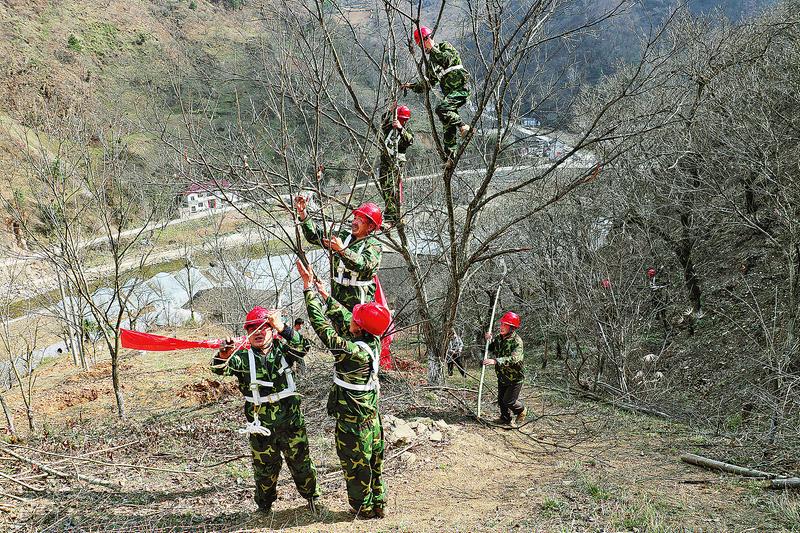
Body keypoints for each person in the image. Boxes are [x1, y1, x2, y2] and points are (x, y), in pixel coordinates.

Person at [297, 260, 390, 519]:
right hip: (372, 420)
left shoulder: (352, 353)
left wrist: (308, 289)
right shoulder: (373, 339)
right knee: (374, 465)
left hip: (353, 424)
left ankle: (364, 509)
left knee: (356, 467)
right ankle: (378, 503)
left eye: (356, 320)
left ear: (359, 328)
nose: (351, 318)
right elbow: (346, 317)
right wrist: (325, 294)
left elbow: (322, 327)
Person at [211, 307, 320, 514]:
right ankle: (264, 507)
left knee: (301, 464)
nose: (258, 332)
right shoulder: (242, 357)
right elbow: (218, 369)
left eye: (263, 327)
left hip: (291, 422)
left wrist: (283, 328)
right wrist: (224, 353)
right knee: (264, 471)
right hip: (260, 426)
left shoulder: (284, 350)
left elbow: (304, 346)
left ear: (272, 329)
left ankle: (312, 499)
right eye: (252, 328)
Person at [295, 197, 383, 311]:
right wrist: (303, 213)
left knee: (355, 323)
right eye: (355, 218)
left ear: (370, 226)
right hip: (337, 297)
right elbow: (315, 236)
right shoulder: (343, 237)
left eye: (360, 220)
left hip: (358, 302)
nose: (354, 222)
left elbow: (363, 265)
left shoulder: (374, 245)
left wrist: (342, 250)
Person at [401, 26, 471, 159]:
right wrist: (411, 86)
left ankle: (463, 126)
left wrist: (433, 48)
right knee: (448, 125)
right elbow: (428, 84)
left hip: (461, 88)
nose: (424, 47)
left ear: (429, 39)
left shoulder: (445, 46)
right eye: (421, 46)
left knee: (441, 109)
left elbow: (447, 59)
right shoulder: (431, 64)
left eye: (423, 43)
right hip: (449, 95)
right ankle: (450, 158)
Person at [483, 311, 527, 427]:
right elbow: (491, 348)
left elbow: (515, 359)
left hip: (515, 377)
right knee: (501, 400)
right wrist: (488, 339)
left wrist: (496, 361)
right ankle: (505, 419)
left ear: (512, 328)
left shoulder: (517, 341)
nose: (501, 327)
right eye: (502, 324)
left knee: (509, 401)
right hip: (502, 375)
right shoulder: (499, 338)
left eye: (505, 325)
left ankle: (521, 410)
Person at [378, 104, 414, 225]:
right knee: (385, 186)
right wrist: (390, 111)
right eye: (400, 119)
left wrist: (400, 128)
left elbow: (410, 140)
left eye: (404, 120)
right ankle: (391, 216)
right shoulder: (389, 126)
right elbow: (383, 122)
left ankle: (393, 217)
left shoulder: (407, 130)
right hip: (385, 160)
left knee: (394, 188)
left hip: (397, 162)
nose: (402, 121)